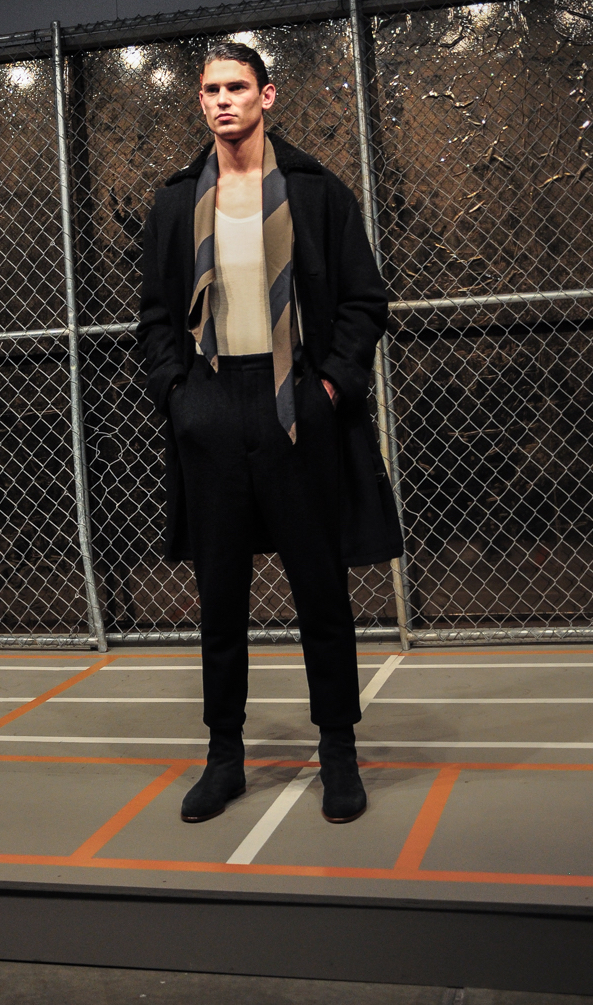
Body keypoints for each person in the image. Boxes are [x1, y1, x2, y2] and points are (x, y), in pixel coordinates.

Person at [138, 42, 403, 824]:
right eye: (211, 90)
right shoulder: (177, 202)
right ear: (201, 101)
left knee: (321, 590)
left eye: (237, 87)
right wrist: (181, 396)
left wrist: (331, 386)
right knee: (220, 598)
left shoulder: (315, 191)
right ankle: (224, 757)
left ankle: (338, 752)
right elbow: (154, 317)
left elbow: (365, 300)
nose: (223, 100)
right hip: (214, 402)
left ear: (267, 95)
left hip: (298, 403)